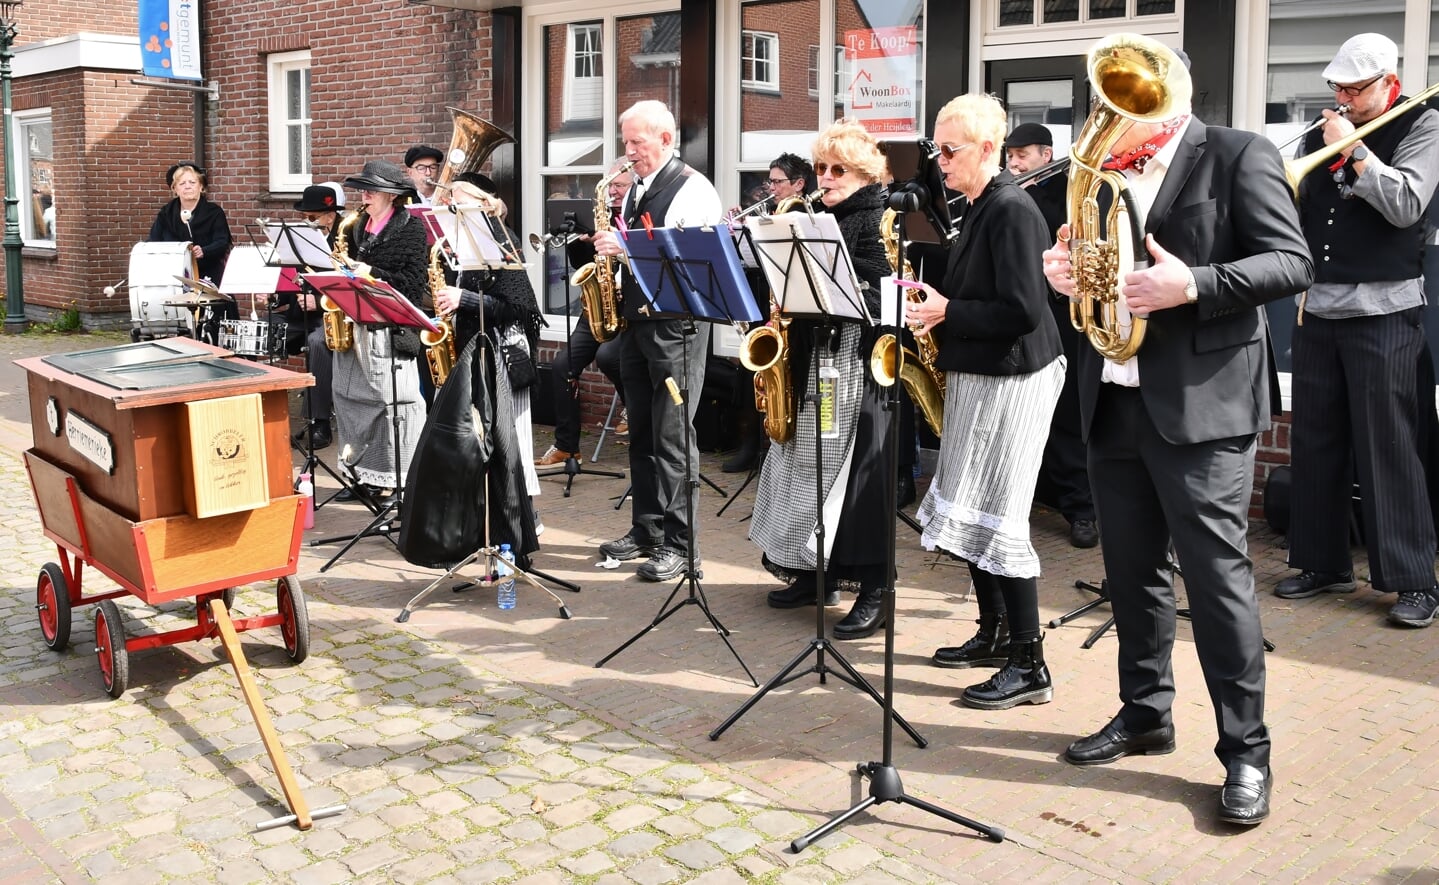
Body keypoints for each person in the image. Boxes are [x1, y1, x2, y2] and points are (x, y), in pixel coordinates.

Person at [1041, 42, 1313, 827]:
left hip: (1203, 407)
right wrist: (1066, 277)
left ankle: (1245, 751)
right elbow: (1090, 268)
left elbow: (1289, 264)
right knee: (1130, 574)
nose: (1106, 119)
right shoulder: (1093, 177)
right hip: (1114, 398)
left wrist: (1190, 282)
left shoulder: (1236, 154)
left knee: (1216, 579)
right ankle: (1144, 712)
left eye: (1122, 107)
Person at [1275, 32, 1439, 628]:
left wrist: (1358, 155)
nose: (1342, 98)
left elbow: (1408, 204)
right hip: (1319, 308)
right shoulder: (1326, 132)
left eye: (1354, 88)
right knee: (1315, 440)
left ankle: (1414, 580)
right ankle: (1321, 562)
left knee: (1389, 448)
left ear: (1387, 83)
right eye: (1336, 88)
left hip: (1386, 312)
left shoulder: (1423, 126)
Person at [905, 96, 1064, 704]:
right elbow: (983, 293)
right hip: (983, 372)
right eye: (936, 150)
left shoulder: (1012, 209)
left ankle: (1031, 665)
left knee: (1001, 516)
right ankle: (994, 632)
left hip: (1016, 378)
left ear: (989, 150)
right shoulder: (977, 205)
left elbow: (1024, 311)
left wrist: (949, 310)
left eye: (951, 151)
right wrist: (937, 308)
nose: (940, 162)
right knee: (971, 505)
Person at [748, 119, 894, 639]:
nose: (825, 178)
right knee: (804, 467)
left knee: (850, 482)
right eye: (822, 169)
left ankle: (875, 588)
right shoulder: (812, 216)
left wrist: (837, 292)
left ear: (862, 174)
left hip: (853, 363)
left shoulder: (877, 219)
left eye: (837, 170)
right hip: (815, 357)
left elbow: (888, 300)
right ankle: (815, 575)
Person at [591, 100, 723, 582]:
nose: (628, 152)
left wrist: (626, 247)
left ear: (665, 140)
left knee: (673, 438)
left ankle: (683, 546)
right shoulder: (635, 189)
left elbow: (693, 256)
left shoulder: (694, 188)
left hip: (676, 329)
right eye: (625, 142)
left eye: (636, 143)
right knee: (642, 432)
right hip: (638, 324)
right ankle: (646, 529)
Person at [430, 178, 546, 547]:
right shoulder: (461, 250)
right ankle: (489, 520)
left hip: (504, 355)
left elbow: (516, 309)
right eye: (450, 206)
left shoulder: (502, 241)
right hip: (473, 349)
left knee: (513, 442)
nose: (452, 210)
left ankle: (524, 521)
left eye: (459, 204)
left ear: (483, 204)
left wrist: (462, 298)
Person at [1004, 122, 1098, 550]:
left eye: (1023, 154)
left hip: (1062, 317)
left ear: (1047, 154)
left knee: (1067, 415)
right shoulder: (1007, 194)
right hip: (1020, 316)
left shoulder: (1071, 190)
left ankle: (1083, 510)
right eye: (1010, 155)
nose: (1014, 162)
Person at [331, 159, 430, 498]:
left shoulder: (411, 229)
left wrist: (368, 270)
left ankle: (395, 478)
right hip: (355, 323)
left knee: (390, 405)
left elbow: (413, 286)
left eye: (371, 190)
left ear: (391, 195)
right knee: (350, 399)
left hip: (390, 331)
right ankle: (361, 473)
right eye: (362, 189)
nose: (364, 195)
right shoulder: (356, 226)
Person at [723, 152, 820, 475]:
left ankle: (785, 447)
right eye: (770, 181)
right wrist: (741, 231)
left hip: (796, 308)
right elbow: (750, 261)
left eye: (777, 182)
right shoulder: (768, 211)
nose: (771, 188)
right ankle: (751, 445)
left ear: (799, 184)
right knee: (750, 373)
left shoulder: (811, 213)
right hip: (766, 300)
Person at [535, 158, 631, 468]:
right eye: (610, 185)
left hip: (629, 307)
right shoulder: (599, 215)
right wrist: (582, 243)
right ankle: (567, 447)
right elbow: (581, 266)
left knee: (608, 357)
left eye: (619, 186)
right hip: (599, 305)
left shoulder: (638, 213)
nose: (613, 192)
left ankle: (631, 407)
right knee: (563, 365)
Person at [277, 182, 346, 449]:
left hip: (330, 317)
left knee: (318, 342)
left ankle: (320, 423)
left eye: (312, 217)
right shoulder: (300, 239)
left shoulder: (344, 240)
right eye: (304, 217)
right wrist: (275, 298)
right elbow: (291, 282)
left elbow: (346, 287)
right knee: (257, 331)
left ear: (330, 215)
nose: (307, 222)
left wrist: (317, 302)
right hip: (298, 315)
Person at [149, 161, 234, 331]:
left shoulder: (214, 212)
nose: (187, 187)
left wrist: (204, 251)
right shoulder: (166, 213)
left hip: (208, 275)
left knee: (213, 321)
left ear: (201, 187)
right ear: (175, 189)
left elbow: (222, 241)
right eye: (182, 183)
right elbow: (153, 241)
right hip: (176, 277)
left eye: (192, 182)